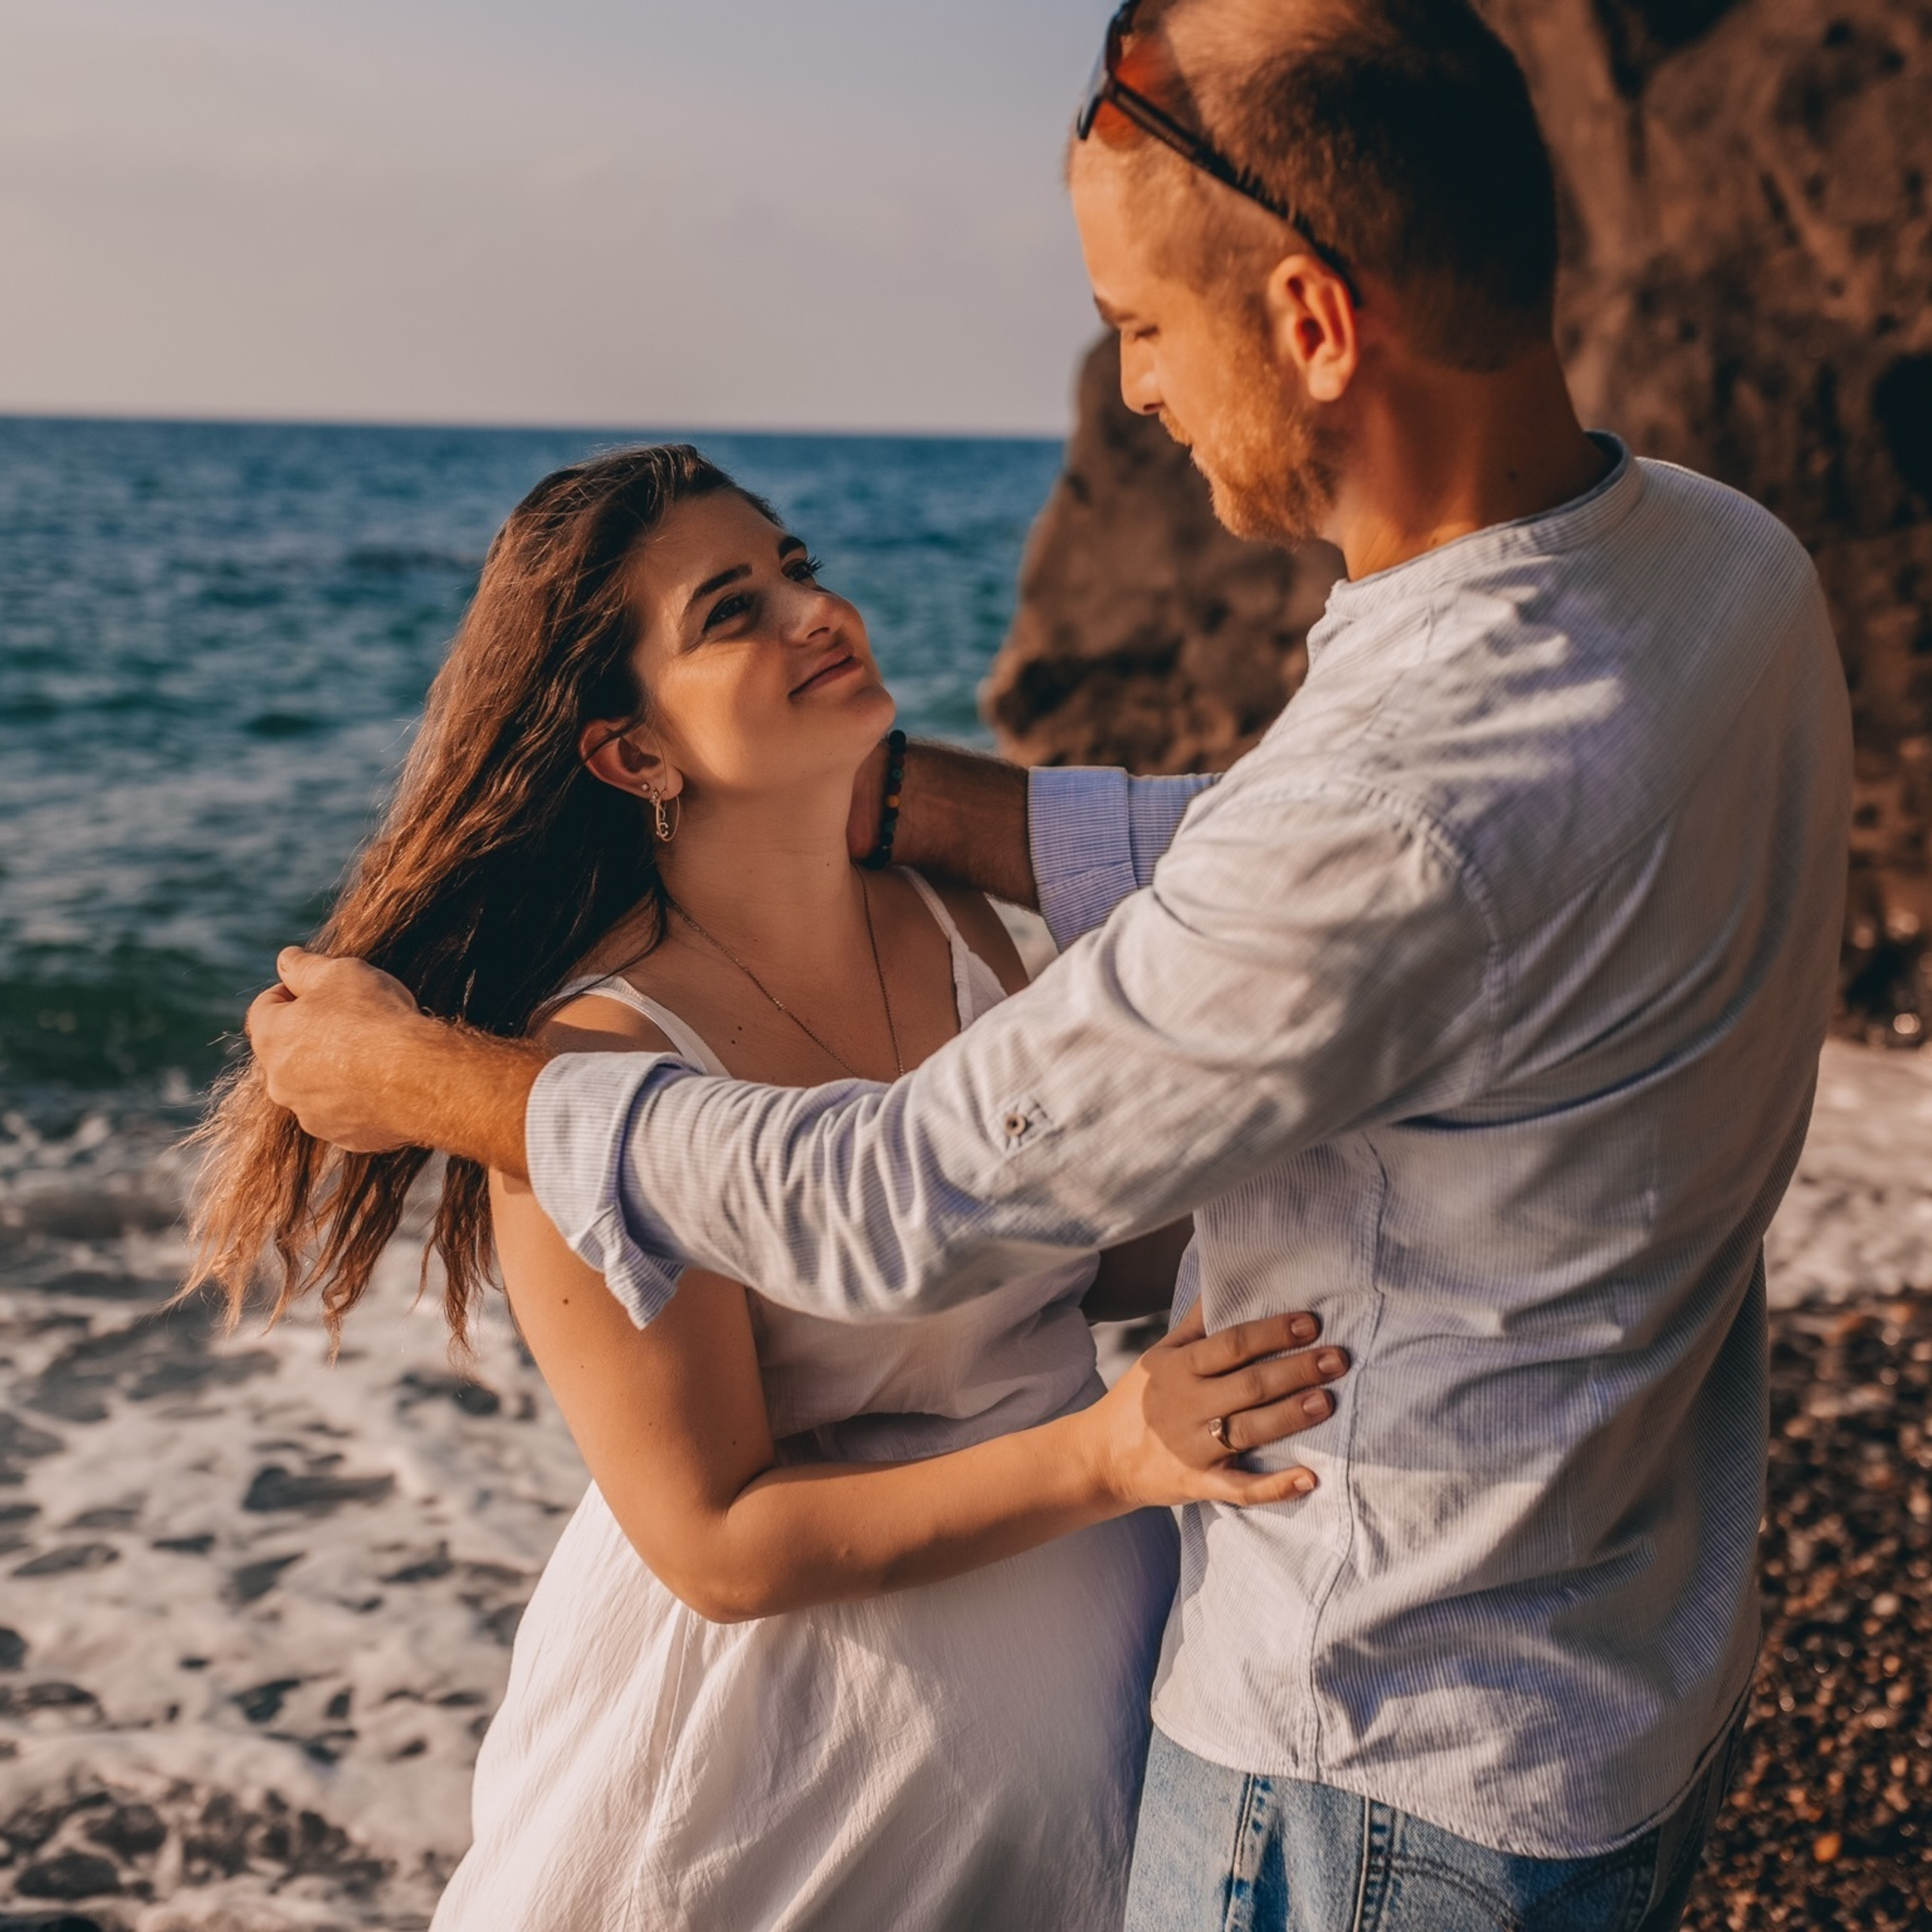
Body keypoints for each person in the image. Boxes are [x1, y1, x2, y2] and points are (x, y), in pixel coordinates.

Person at [245, 2, 1854, 1929]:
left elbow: (907, 1193)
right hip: (1616, 1652)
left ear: (1311, 323)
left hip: (1375, 1759)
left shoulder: (1387, 814)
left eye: (1139, 330)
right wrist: (941, 804)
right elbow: (1339, 893)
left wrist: (438, 1087)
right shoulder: (1717, 560)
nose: (1139, 391)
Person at [189, 443, 1352, 1931]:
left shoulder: (968, 932)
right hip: (775, 1805)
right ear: (631, 753)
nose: (817, 608)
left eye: (797, 563)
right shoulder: (587, 1066)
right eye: (732, 609)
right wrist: (1114, 1453)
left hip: (1062, 1777)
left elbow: (1070, 1241)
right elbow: (718, 1538)